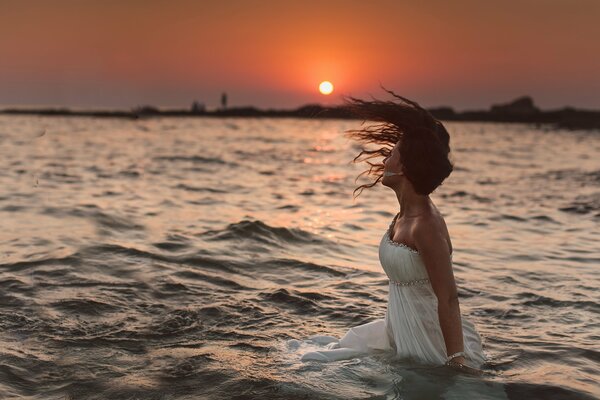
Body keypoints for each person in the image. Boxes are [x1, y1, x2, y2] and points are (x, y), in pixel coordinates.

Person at [299, 86, 486, 375]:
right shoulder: (404, 214)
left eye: (393, 155)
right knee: (310, 358)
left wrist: (456, 361)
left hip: (427, 339)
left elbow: (448, 297)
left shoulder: (426, 225)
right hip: (399, 328)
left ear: (405, 169)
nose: (385, 161)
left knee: (317, 366)